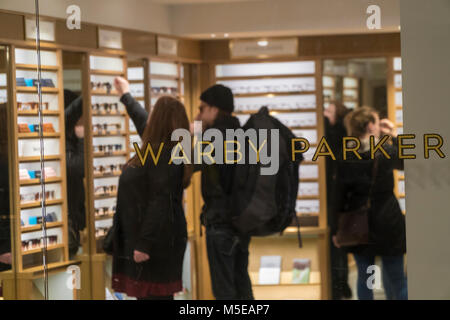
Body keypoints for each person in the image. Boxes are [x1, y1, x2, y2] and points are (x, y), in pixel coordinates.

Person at [111, 77, 192, 300]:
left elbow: (160, 201)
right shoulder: (166, 150)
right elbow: (142, 121)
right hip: (155, 239)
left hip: (154, 244)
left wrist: (144, 244)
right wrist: (126, 96)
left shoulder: (165, 156)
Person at [332, 106, 407, 300]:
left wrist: (336, 229)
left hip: (357, 224)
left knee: (365, 278)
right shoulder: (385, 151)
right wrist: (393, 133)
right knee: (397, 277)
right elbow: (406, 162)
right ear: (371, 126)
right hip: (387, 220)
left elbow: (339, 196)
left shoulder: (346, 155)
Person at [192, 84, 254, 300]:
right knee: (241, 282)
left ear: (214, 109)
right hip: (242, 222)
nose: (198, 114)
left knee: (224, 288)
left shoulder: (213, 136)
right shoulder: (243, 133)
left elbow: (191, 163)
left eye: (202, 108)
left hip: (220, 222)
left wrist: (196, 132)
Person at [323, 101, 352, 299]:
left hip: (335, 199)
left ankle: (337, 286)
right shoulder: (346, 136)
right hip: (343, 199)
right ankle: (342, 285)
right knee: (340, 244)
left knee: (336, 244)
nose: (324, 114)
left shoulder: (333, 136)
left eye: (328, 111)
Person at [64, 90, 86, 257]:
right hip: (67, 219)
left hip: (74, 217)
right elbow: (78, 168)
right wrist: (82, 139)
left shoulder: (69, 138)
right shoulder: (63, 141)